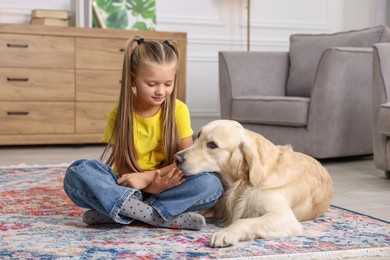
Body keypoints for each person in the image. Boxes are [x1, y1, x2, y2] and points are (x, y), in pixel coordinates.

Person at [63, 37, 223, 230]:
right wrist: (146, 187)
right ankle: (155, 215)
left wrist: (152, 181)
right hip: (129, 189)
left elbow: (186, 160)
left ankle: (123, 212)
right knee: (78, 171)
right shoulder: (118, 113)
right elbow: (122, 169)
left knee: (211, 184)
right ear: (132, 79)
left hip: (169, 186)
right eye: (152, 83)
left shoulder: (178, 110)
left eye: (168, 84)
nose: (161, 91)